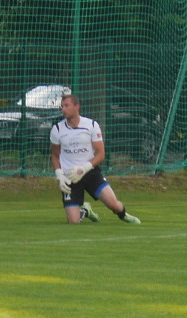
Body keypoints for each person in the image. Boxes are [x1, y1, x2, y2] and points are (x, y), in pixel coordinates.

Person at [50, 92, 141, 225]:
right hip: (70, 176)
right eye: (62, 106)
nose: (63, 109)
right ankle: (85, 211)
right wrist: (60, 175)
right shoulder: (57, 129)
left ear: (76, 106)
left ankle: (123, 215)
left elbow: (100, 154)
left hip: (90, 172)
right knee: (73, 221)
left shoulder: (91, 125)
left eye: (67, 106)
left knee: (114, 205)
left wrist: (83, 168)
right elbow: (54, 155)